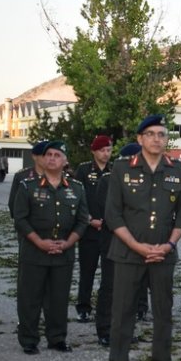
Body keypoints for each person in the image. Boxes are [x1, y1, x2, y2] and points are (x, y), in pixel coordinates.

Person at [104, 115, 181, 361]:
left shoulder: (178, 170)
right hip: (128, 254)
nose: (156, 139)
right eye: (150, 134)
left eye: (161, 134)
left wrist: (168, 246)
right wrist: (138, 247)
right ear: (140, 139)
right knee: (123, 315)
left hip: (164, 255)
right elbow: (113, 215)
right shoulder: (120, 169)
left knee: (164, 315)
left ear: (167, 139)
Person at [12, 141, 88, 354]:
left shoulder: (77, 188)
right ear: (43, 160)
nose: (52, 158)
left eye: (57, 155)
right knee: (30, 297)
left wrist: (68, 242)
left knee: (59, 298)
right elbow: (20, 218)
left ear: (65, 161)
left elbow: (83, 220)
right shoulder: (28, 186)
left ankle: (57, 338)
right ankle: (29, 339)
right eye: (49, 155)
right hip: (34, 251)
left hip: (63, 253)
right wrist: (39, 242)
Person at [93, 142, 141, 346]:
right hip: (114, 241)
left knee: (131, 289)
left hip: (137, 243)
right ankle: (105, 329)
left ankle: (125, 330)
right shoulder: (108, 180)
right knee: (111, 286)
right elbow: (111, 212)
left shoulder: (144, 181)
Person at [73, 135, 113, 323]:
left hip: (109, 230)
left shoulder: (114, 171)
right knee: (87, 271)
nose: (106, 154)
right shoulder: (83, 170)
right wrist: (89, 220)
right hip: (89, 230)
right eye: (102, 150)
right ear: (94, 151)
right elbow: (77, 198)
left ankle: (106, 309)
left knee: (109, 273)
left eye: (109, 150)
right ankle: (83, 307)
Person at [8, 141, 47, 216]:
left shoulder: (61, 177)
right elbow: (13, 203)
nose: (48, 159)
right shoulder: (22, 176)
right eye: (43, 155)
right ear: (34, 156)